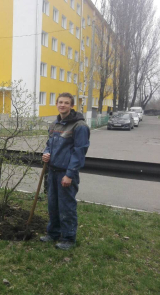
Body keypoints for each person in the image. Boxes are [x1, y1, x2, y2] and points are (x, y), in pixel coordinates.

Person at [41, 92, 90, 250]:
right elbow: (49, 143)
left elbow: (79, 152)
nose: (62, 105)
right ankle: (53, 233)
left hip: (66, 173)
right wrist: (46, 153)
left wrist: (69, 174)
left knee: (66, 206)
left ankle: (68, 238)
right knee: (53, 204)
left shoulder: (79, 126)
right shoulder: (54, 124)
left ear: (71, 106)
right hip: (52, 171)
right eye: (60, 102)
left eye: (66, 103)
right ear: (56, 104)